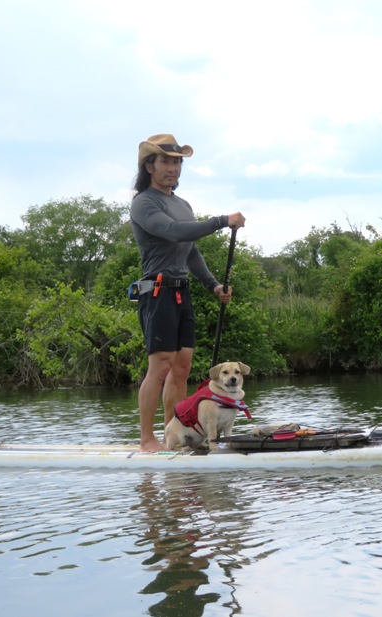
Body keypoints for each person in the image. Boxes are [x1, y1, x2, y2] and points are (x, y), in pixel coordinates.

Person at [130, 134, 245, 452]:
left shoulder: (183, 204)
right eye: (166, 161)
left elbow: (190, 250)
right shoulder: (144, 202)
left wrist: (214, 285)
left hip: (183, 291)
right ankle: (146, 439)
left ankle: (173, 433)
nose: (173, 168)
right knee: (161, 366)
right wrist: (221, 221)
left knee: (181, 366)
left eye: (177, 162)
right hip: (156, 292)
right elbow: (172, 231)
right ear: (150, 165)